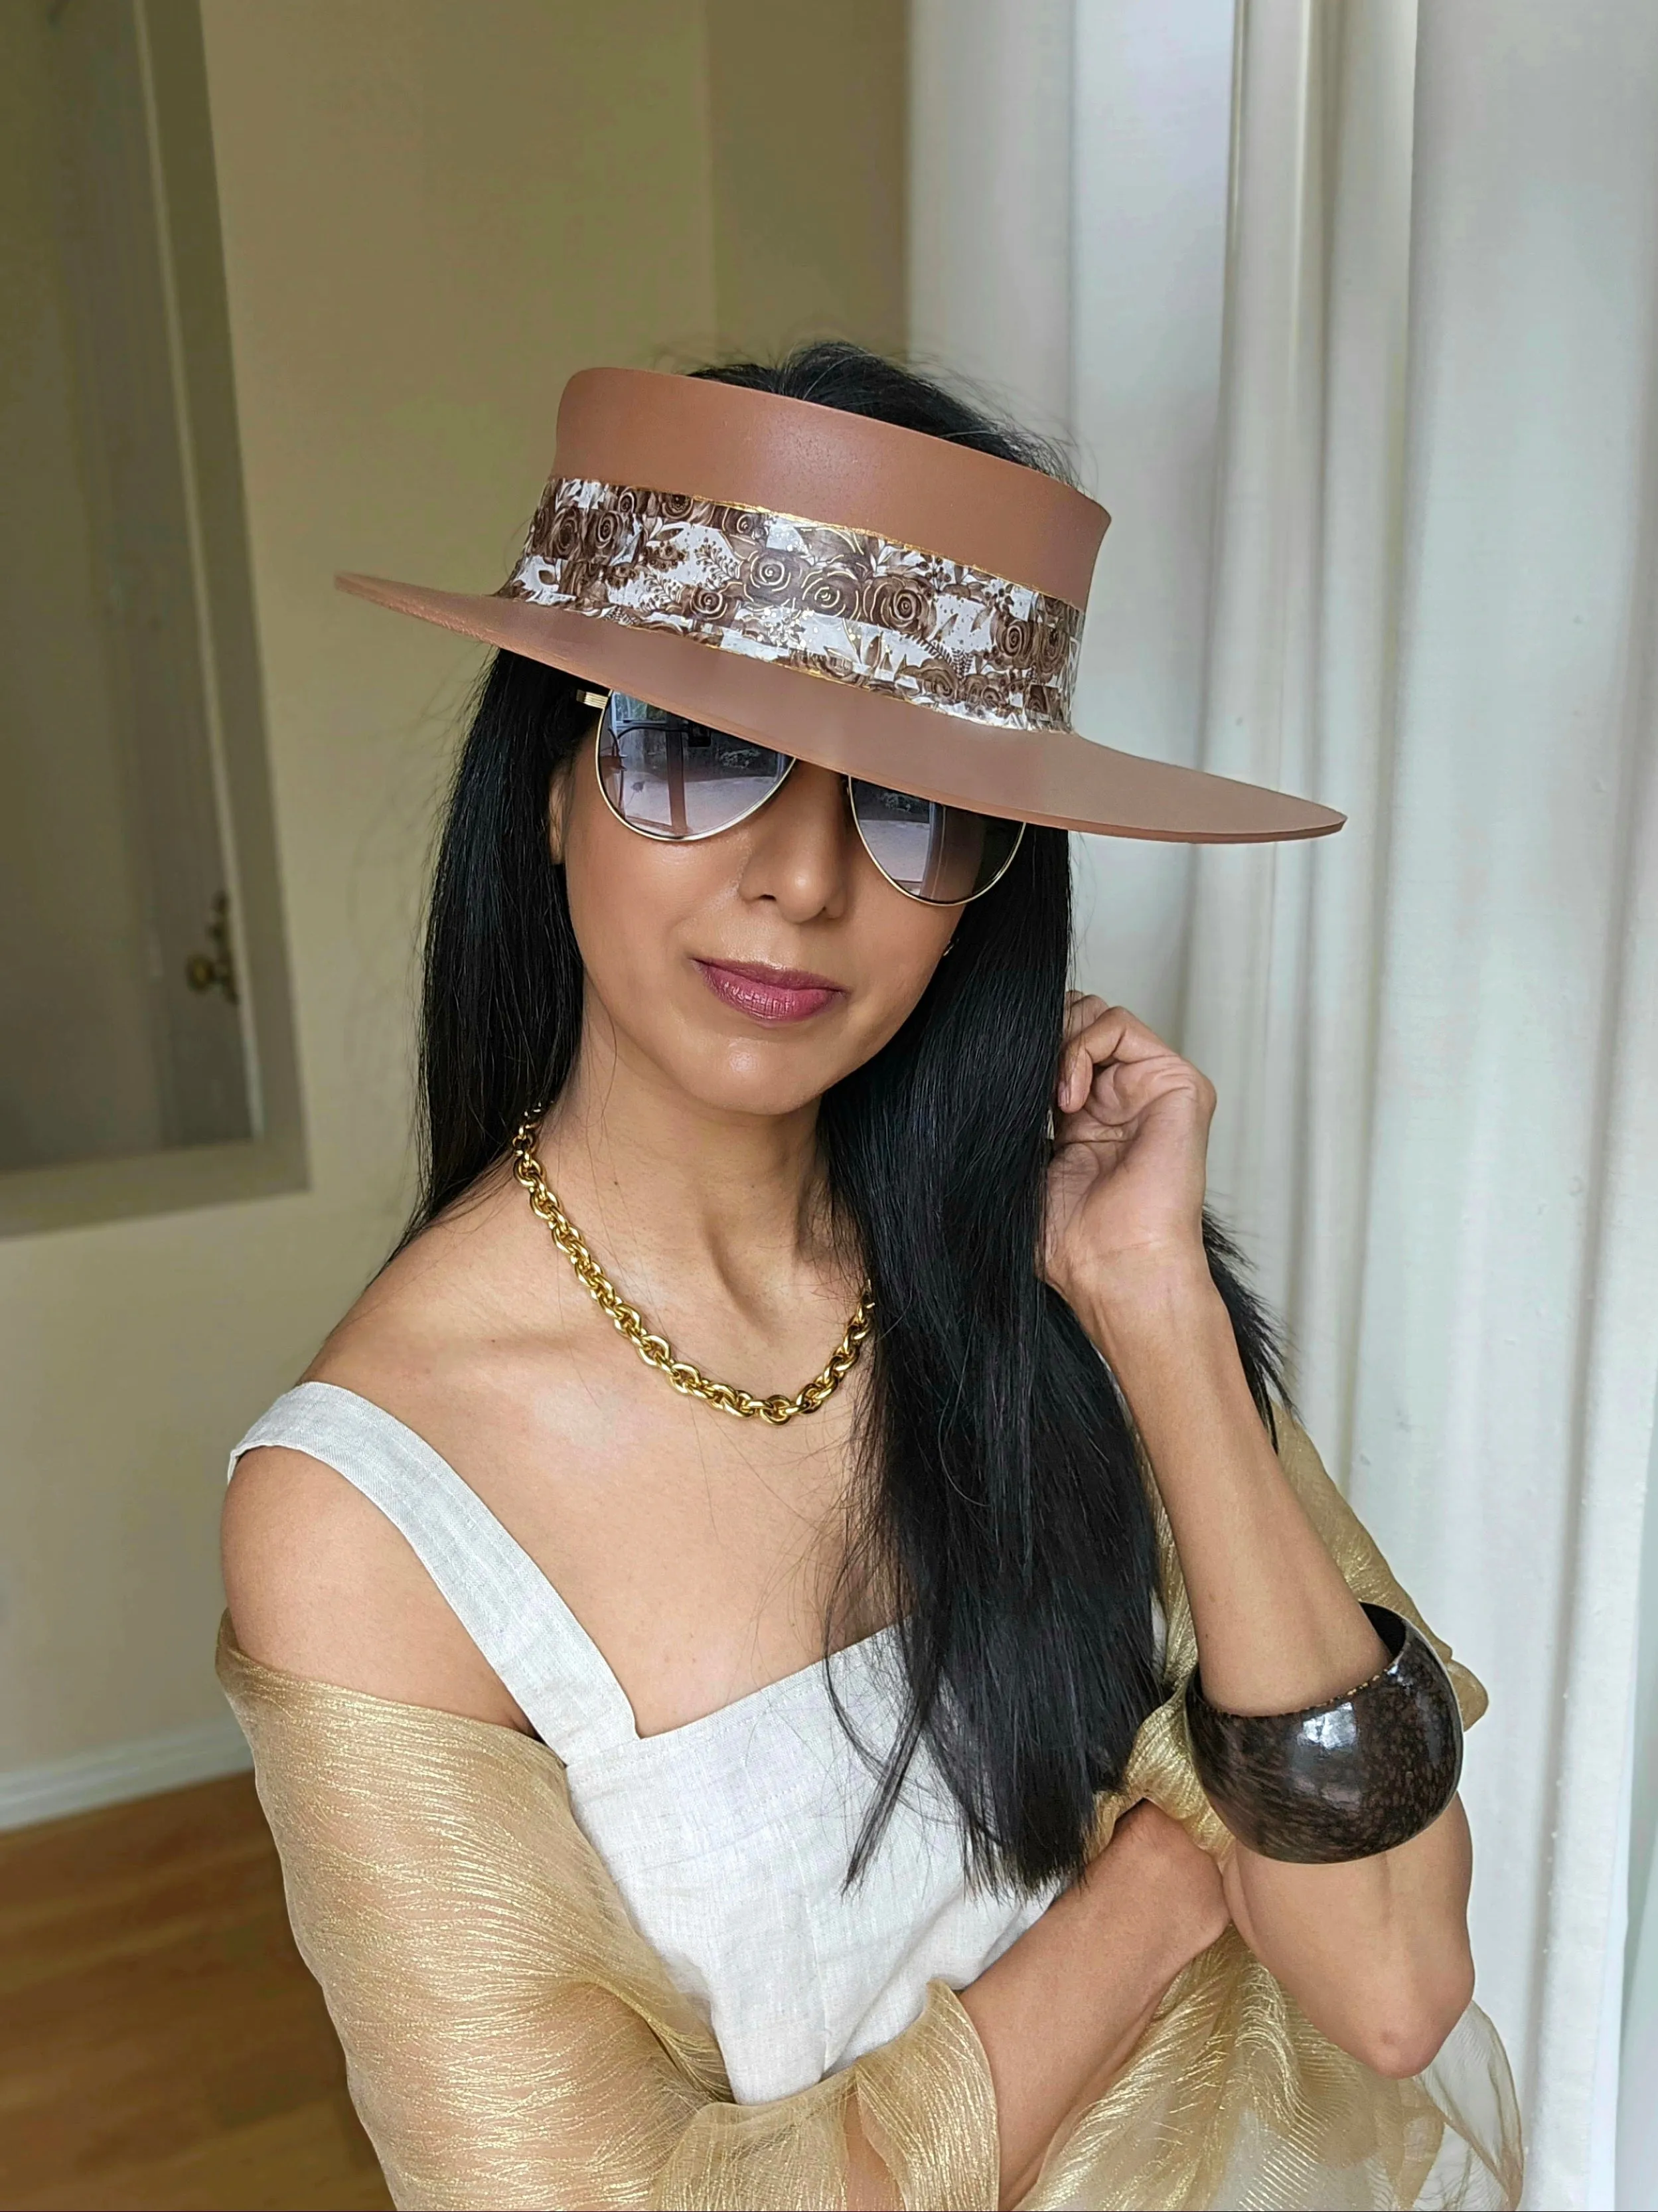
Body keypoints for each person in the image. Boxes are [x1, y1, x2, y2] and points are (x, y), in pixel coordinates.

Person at [218, 345, 1520, 2210]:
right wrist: (1166, 1885)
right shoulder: (367, 1513)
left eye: (915, 798)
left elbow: (1392, 1985)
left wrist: (1156, 1314)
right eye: (698, 748)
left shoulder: (1053, 1269)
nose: (807, 876)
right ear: (551, 784)